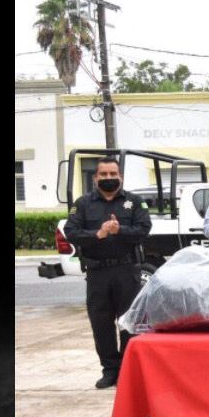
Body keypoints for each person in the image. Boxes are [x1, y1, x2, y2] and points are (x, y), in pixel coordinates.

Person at [63, 157, 151, 389]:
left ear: (120, 176)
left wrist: (119, 230)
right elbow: (71, 231)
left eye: (113, 174)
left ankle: (127, 369)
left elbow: (144, 230)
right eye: (104, 174)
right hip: (97, 273)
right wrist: (98, 235)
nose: (109, 178)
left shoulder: (134, 201)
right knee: (101, 323)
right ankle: (110, 370)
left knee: (129, 323)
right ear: (95, 178)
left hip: (126, 270)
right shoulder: (83, 203)